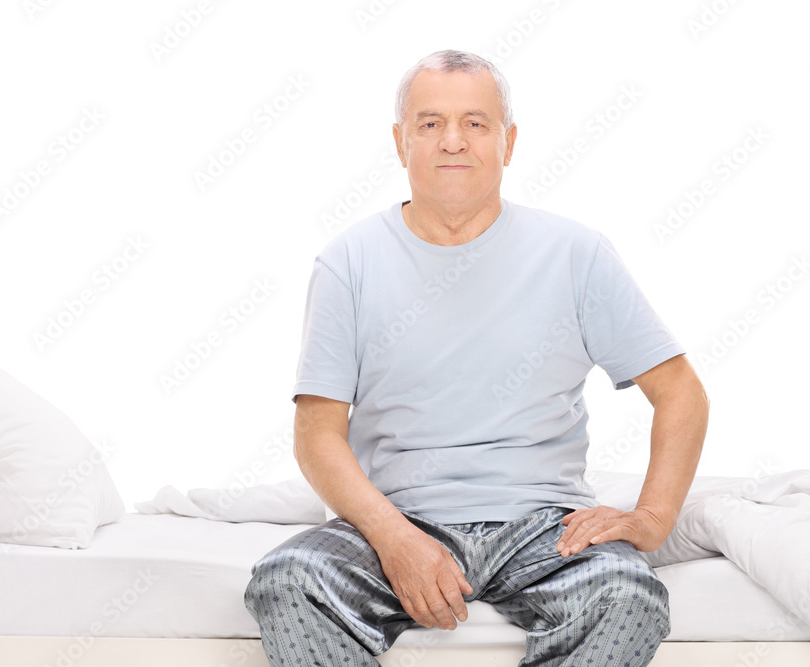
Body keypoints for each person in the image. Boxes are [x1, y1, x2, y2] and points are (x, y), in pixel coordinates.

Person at [244, 49, 709, 667]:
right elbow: (316, 434)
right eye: (430, 123)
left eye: (476, 123)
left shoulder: (576, 254)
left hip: (545, 527)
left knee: (630, 596)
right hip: (400, 518)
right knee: (287, 580)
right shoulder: (348, 261)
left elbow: (680, 392)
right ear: (400, 141)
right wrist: (393, 537)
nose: (453, 141)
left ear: (508, 142)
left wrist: (651, 517)